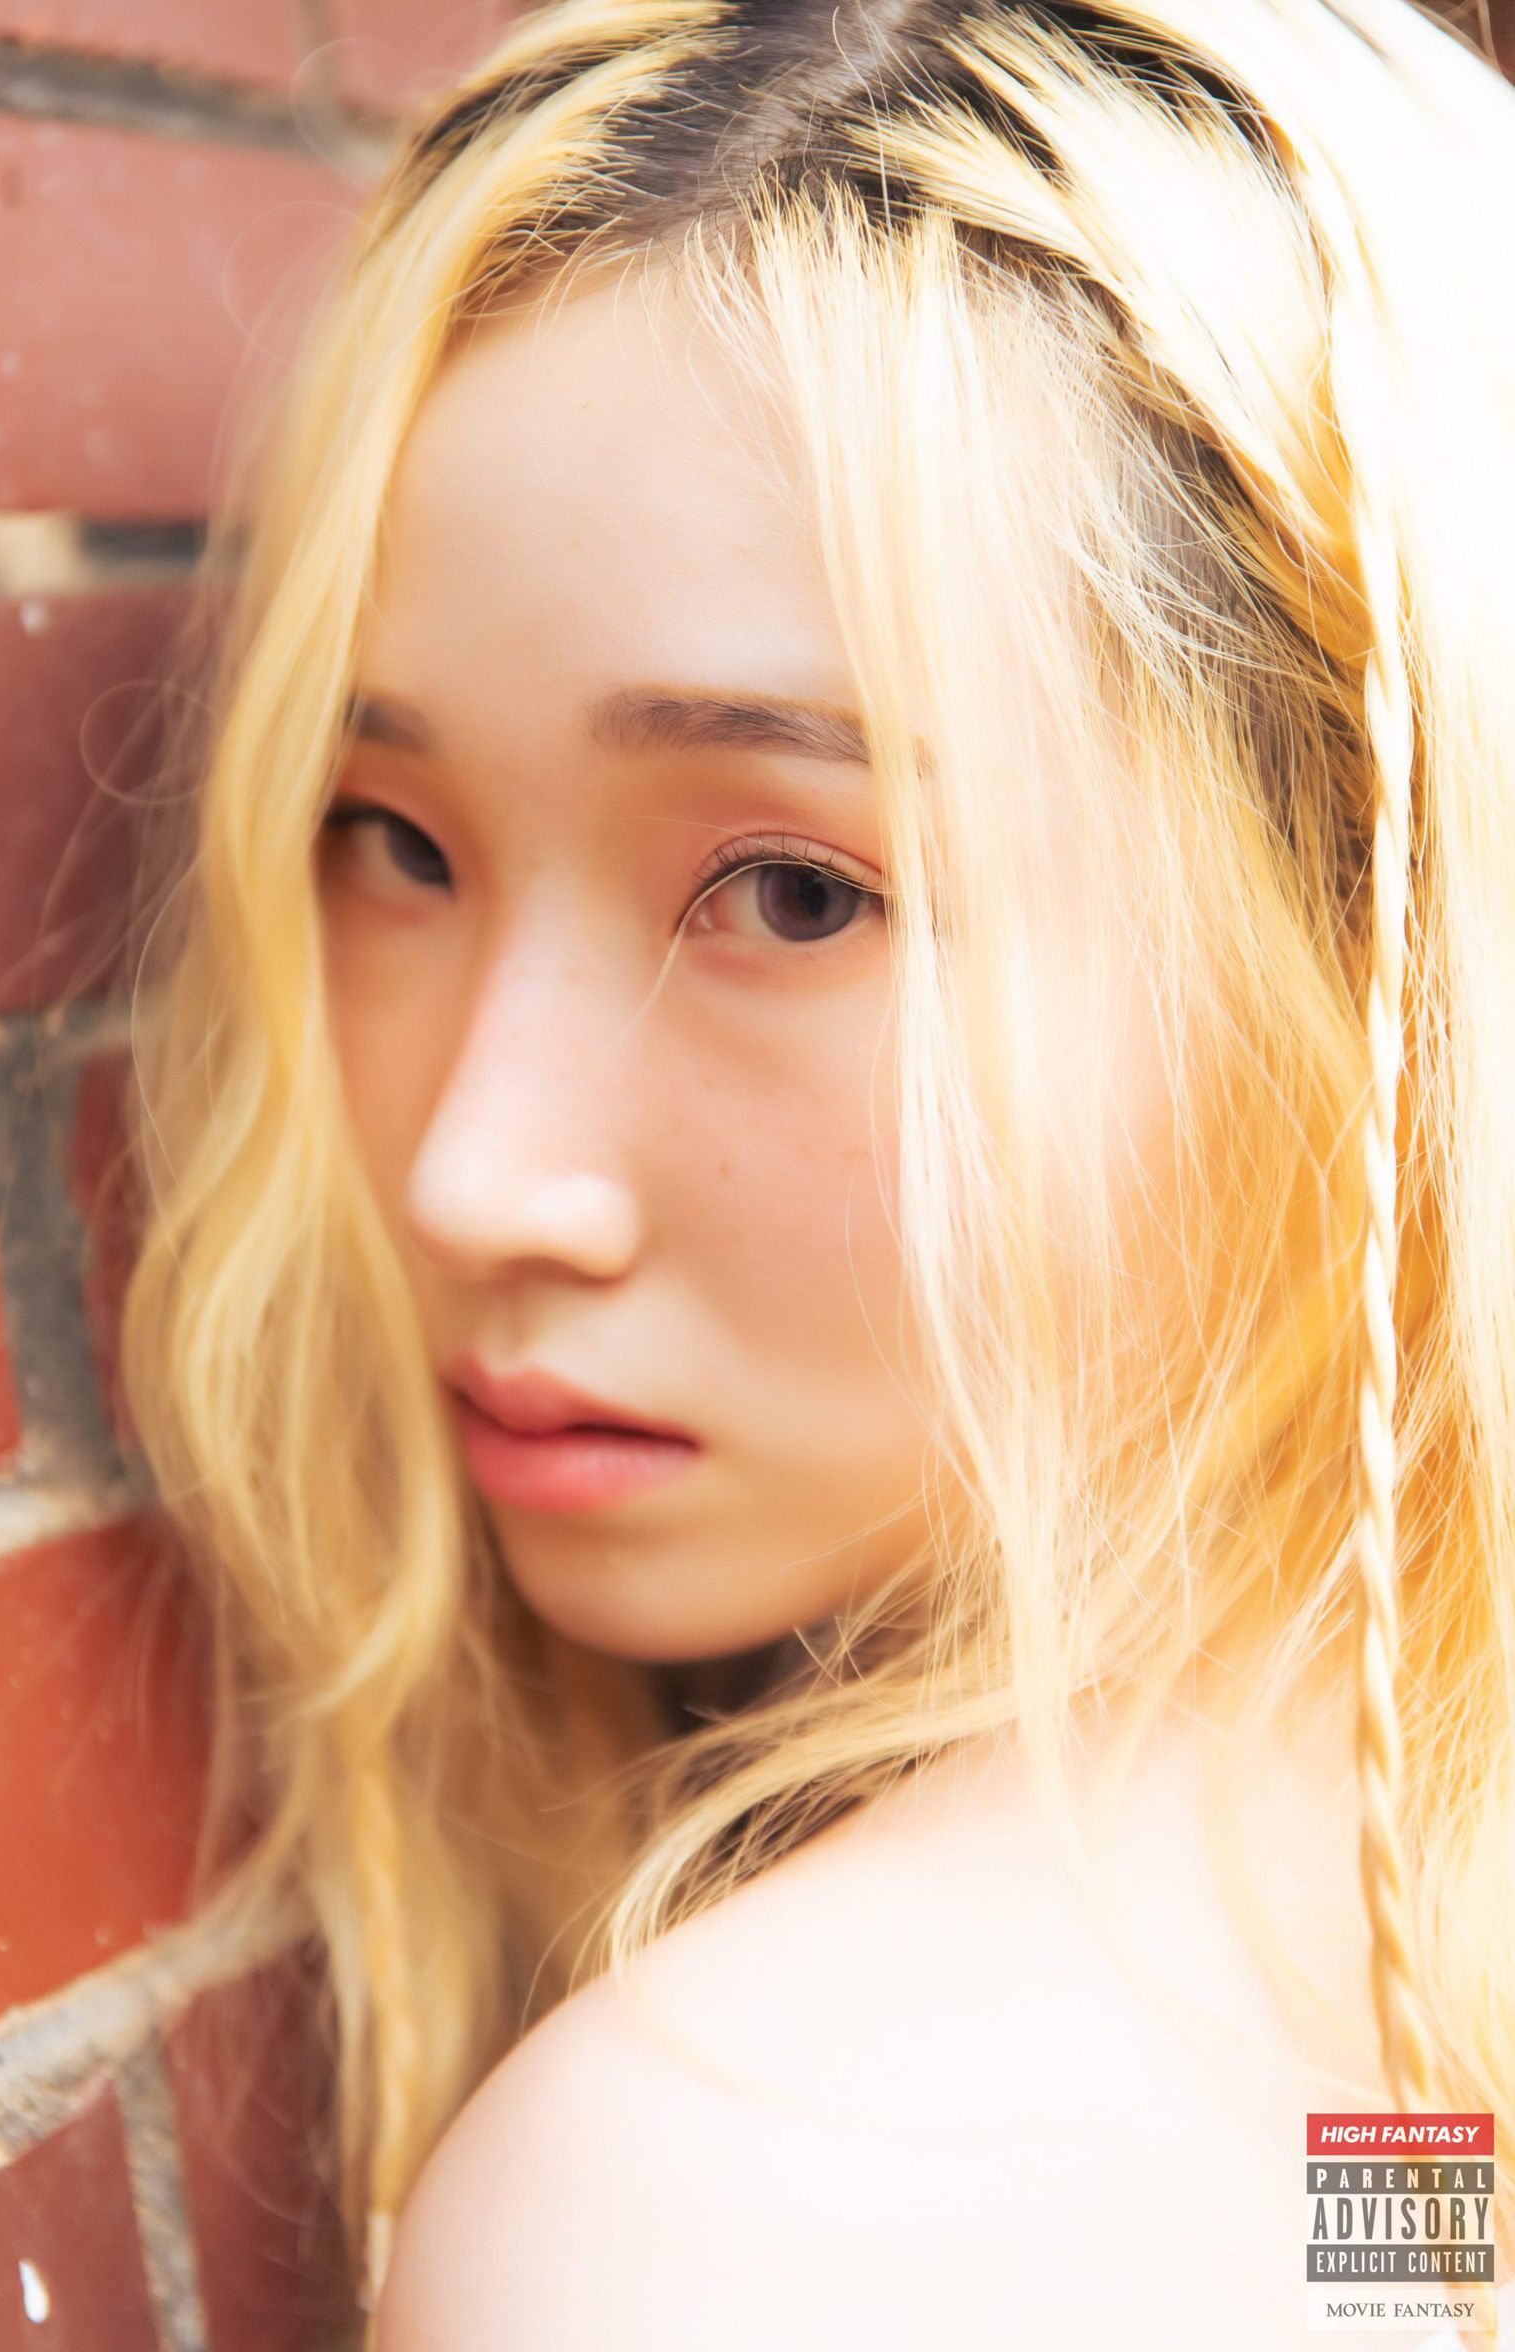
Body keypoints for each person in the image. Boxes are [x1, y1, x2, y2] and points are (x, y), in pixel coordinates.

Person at [117, 0, 1515, 2343]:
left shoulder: (727, 2201)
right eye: (390, 839)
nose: (472, 1178)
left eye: (786, 891)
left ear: (1374, 938)